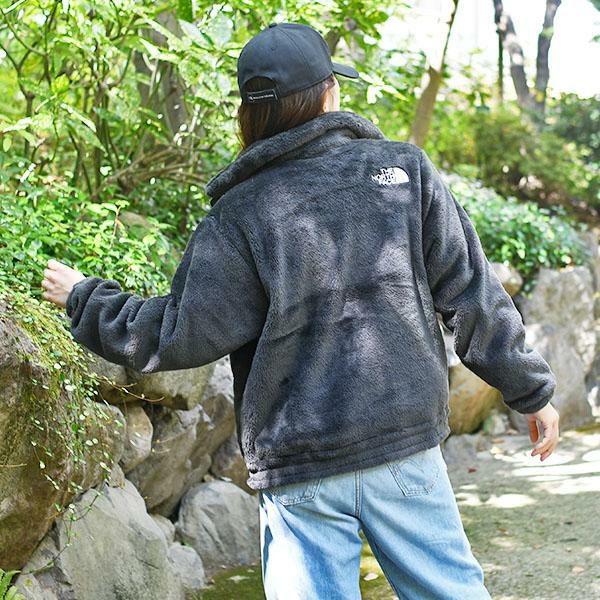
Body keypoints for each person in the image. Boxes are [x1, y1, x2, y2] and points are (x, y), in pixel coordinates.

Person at [41, 21, 560, 600]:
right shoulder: (404, 174)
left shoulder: (239, 212)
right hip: (402, 440)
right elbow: (472, 296)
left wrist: (85, 297)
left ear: (250, 115)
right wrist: (531, 392)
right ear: (328, 94)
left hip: (298, 461)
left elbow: (181, 333)